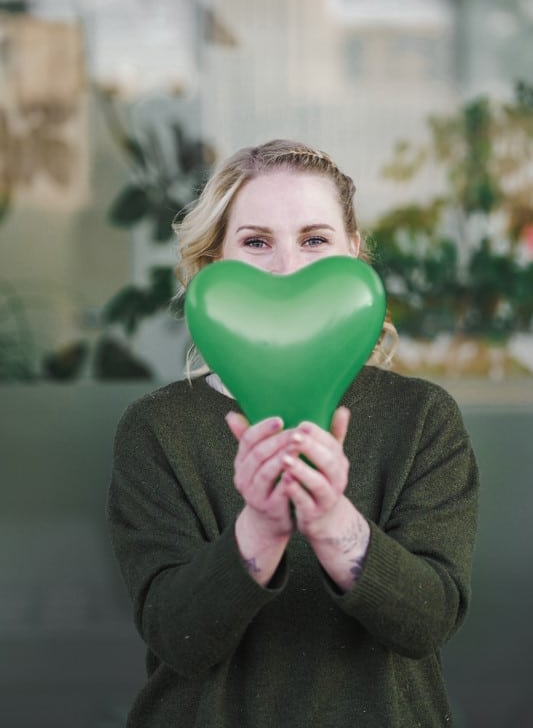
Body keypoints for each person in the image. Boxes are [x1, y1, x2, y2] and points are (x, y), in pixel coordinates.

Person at [108, 139, 479, 727]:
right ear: (214, 263)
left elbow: (429, 622)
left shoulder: (422, 418)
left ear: (353, 254)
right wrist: (260, 529)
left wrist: (333, 520)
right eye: (256, 242)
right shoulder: (157, 429)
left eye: (314, 239)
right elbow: (176, 638)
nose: (287, 267)